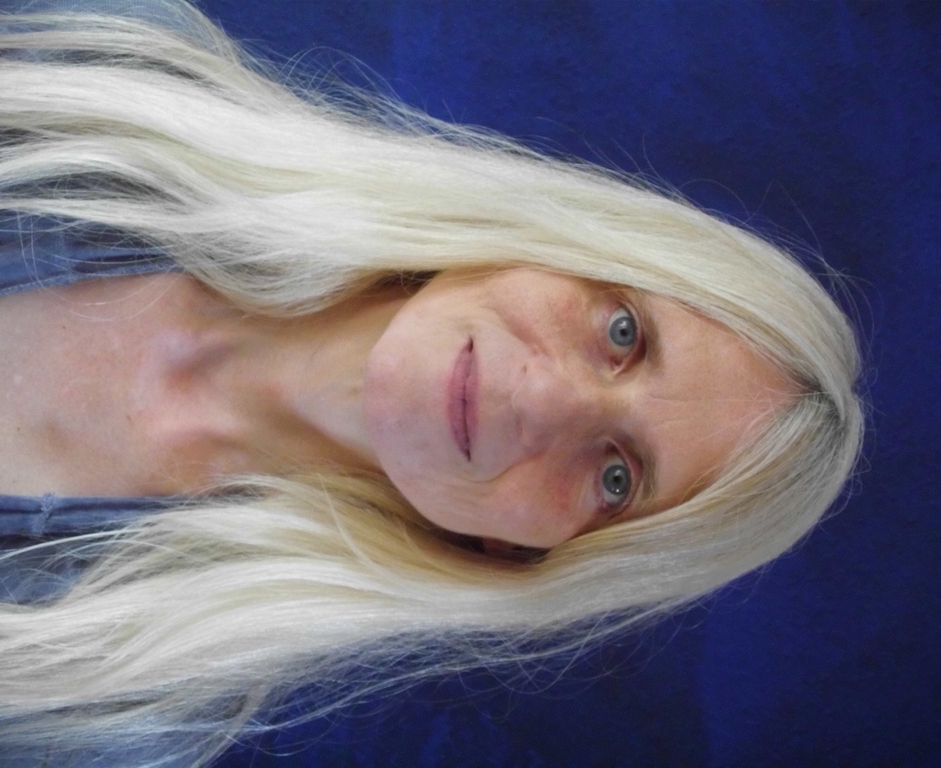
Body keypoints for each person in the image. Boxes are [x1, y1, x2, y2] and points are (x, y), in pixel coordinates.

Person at [0, 0, 863, 764]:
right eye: (623, 333)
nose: (546, 401)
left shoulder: (117, 706)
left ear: (523, 554)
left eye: (616, 478)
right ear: (571, 244)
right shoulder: (111, 68)